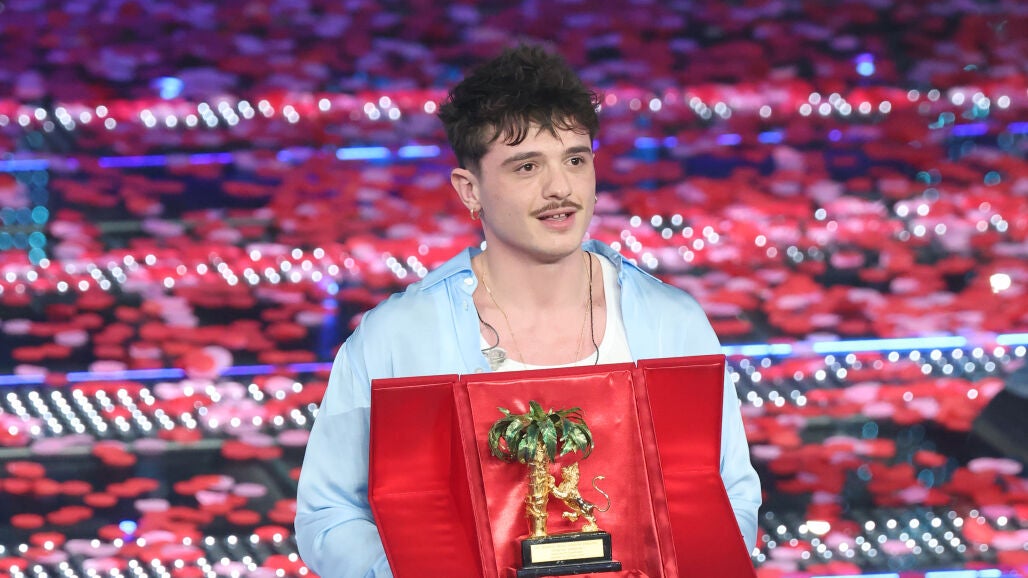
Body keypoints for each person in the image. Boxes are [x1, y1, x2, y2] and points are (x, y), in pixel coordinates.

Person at [295, 44, 761, 577]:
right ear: (469, 190)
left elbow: (729, 493)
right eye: (527, 166)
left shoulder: (670, 323)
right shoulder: (399, 337)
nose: (560, 188)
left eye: (575, 160)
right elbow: (329, 514)